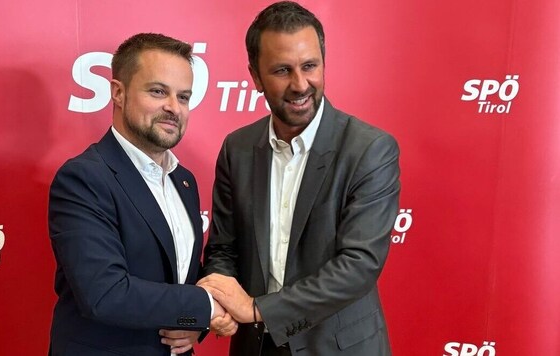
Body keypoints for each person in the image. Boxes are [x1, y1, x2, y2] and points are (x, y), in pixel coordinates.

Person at [198, 2, 400, 355]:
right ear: (256, 77)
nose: (300, 84)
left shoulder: (369, 149)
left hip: (338, 347)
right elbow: (223, 248)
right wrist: (219, 299)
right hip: (256, 345)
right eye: (282, 70)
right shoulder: (238, 148)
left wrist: (259, 310)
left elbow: (359, 264)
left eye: (310, 66)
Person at [48, 33, 236, 356]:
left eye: (184, 96)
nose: (173, 108)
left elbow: (185, 277)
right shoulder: (84, 178)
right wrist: (208, 308)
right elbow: (105, 293)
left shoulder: (184, 181)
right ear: (117, 92)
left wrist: (194, 323)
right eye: (158, 91)